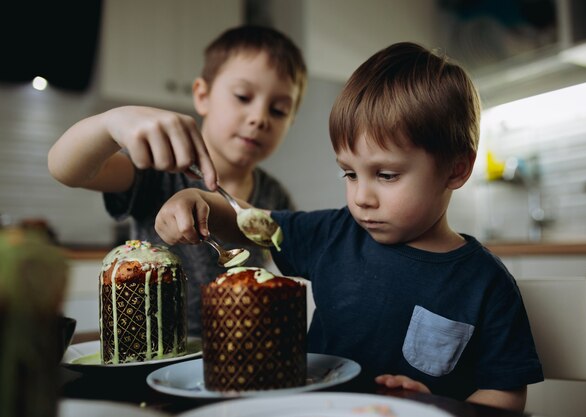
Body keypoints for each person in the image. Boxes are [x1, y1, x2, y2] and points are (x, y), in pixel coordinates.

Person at [153, 42, 543, 411]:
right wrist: (200, 201)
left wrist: (438, 406)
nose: (361, 197)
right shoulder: (334, 235)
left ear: (456, 169)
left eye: (386, 175)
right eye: (349, 174)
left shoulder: (484, 283)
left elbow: (504, 394)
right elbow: (251, 223)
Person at [47, 25, 307, 336]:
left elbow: (293, 254)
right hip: (156, 352)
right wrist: (110, 123)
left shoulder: (275, 195)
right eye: (242, 96)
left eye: (278, 110)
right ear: (202, 95)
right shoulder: (156, 172)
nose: (259, 117)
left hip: (240, 351)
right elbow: (67, 170)